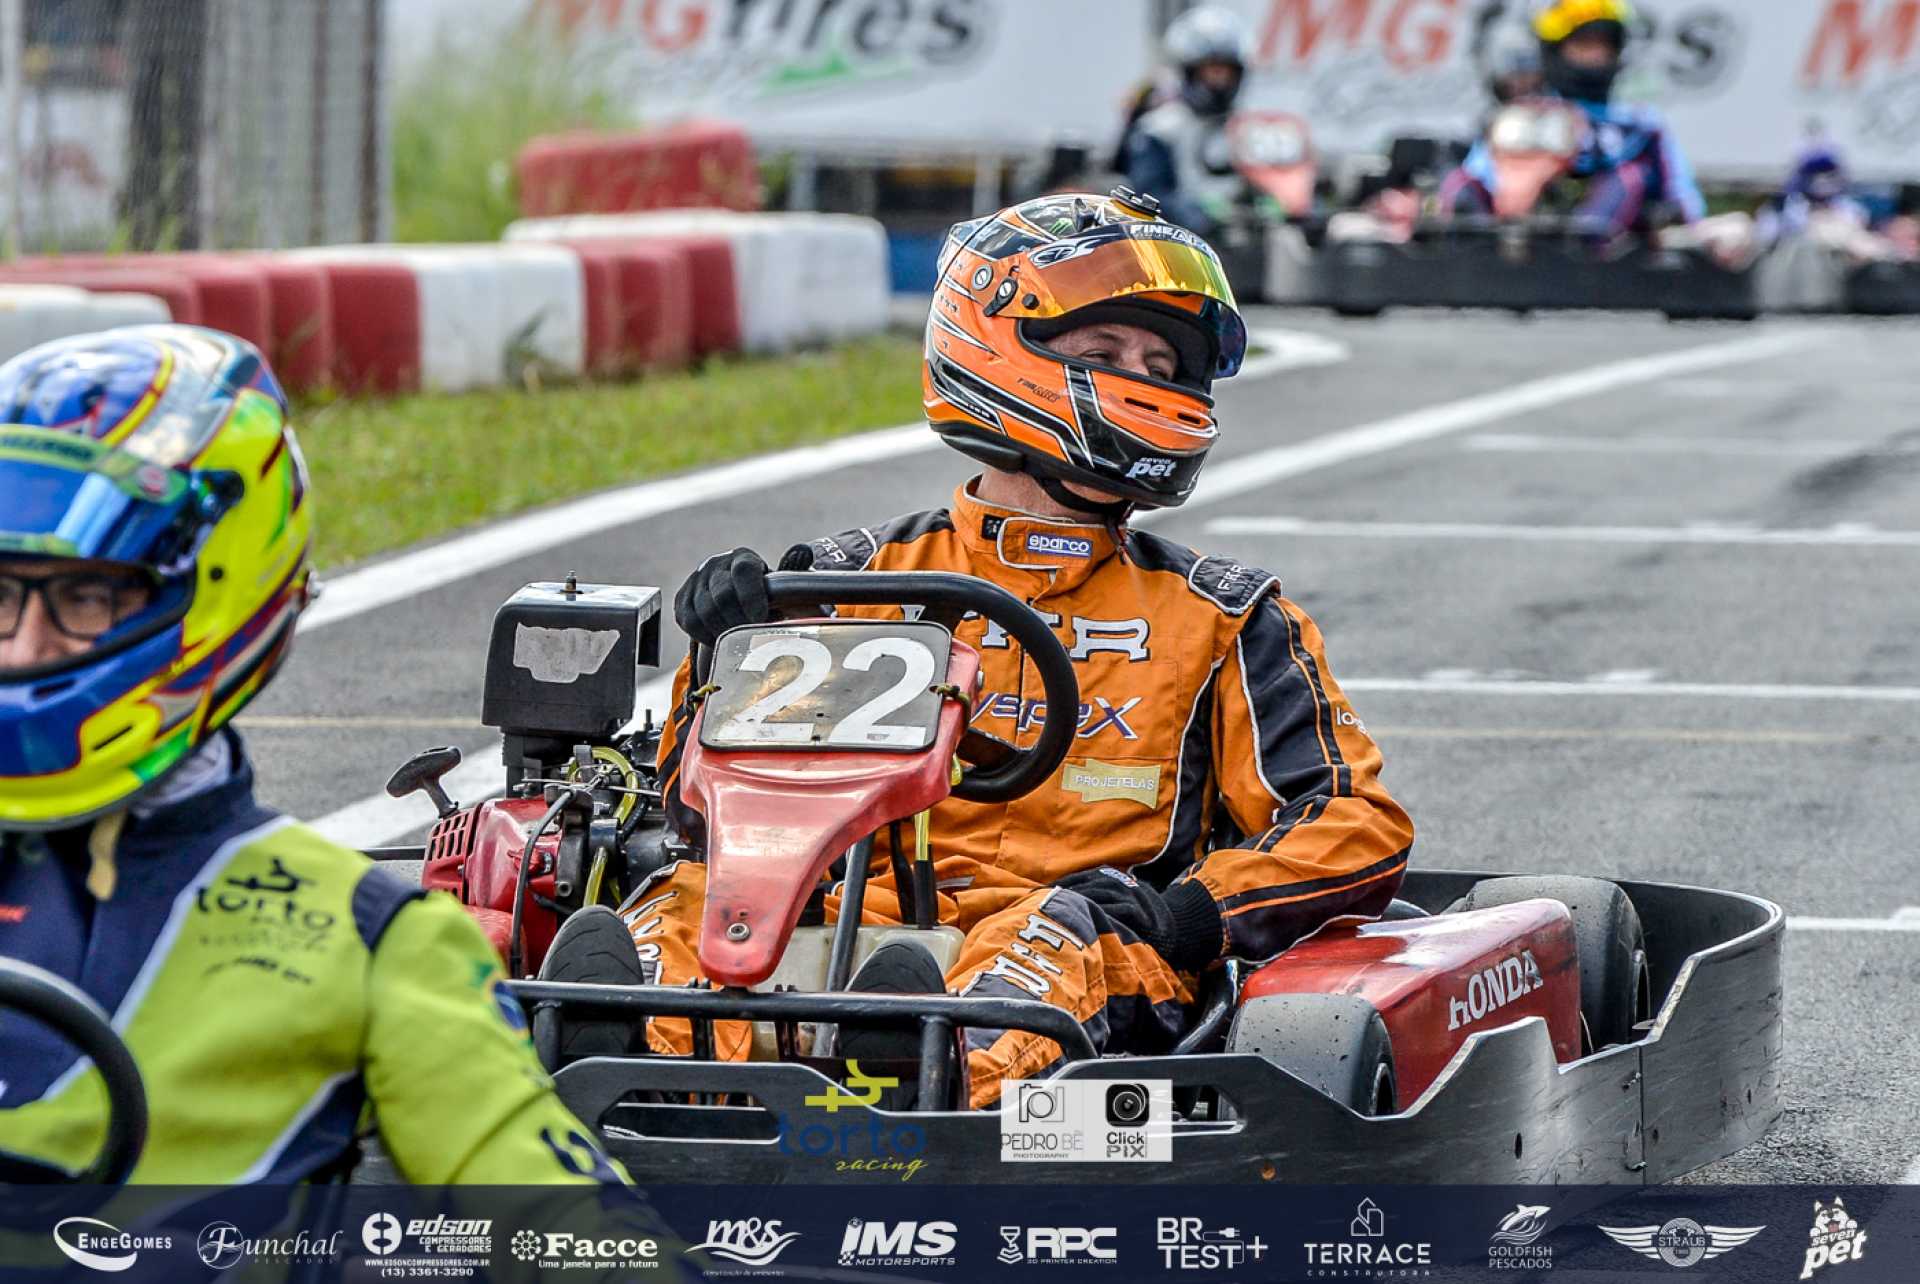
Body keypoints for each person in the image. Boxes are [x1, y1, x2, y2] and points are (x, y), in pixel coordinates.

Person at [546, 191, 1415, 1110]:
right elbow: (707, 813)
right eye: (1106, 354)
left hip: (1087, 932)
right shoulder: (849, 581)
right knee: (686, 901)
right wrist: (721, 651)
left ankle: (918, 1074)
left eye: (1162, 365)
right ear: (999, 349)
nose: (1145, 381)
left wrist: (1189, 913)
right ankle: (624, 1063)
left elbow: (1351, 821)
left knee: (1053, 935)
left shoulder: (1224, 618)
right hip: (841, 915)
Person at [0, 325, 635, 1190]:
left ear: (216, 594)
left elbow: (575, 1235)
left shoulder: (369, 941)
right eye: (0, 594)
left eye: (85, 598)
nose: (24, 649)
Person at [1439, 0, 1706, 244]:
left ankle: (1584, 249)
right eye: (1582, 45)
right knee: (1458, 182)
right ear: (1555, 51)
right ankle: (1474, 258)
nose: (1593, 56)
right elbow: (1480, 171)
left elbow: (1682, 198)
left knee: (1629, 178)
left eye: (1601, 47)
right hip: (1511, 233)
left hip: (1606, 252)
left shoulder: (1639, 125)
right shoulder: (1524, 114)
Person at [1122, 5, 1256, 239]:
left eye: (1226, 72)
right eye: (1212, 71)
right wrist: (1196, 216)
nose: (1220, 82)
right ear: (1190, 71)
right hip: (1182, 245)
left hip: (1247, 242)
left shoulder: (1249, 128)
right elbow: (1148, 194)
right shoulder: (1159, 128)